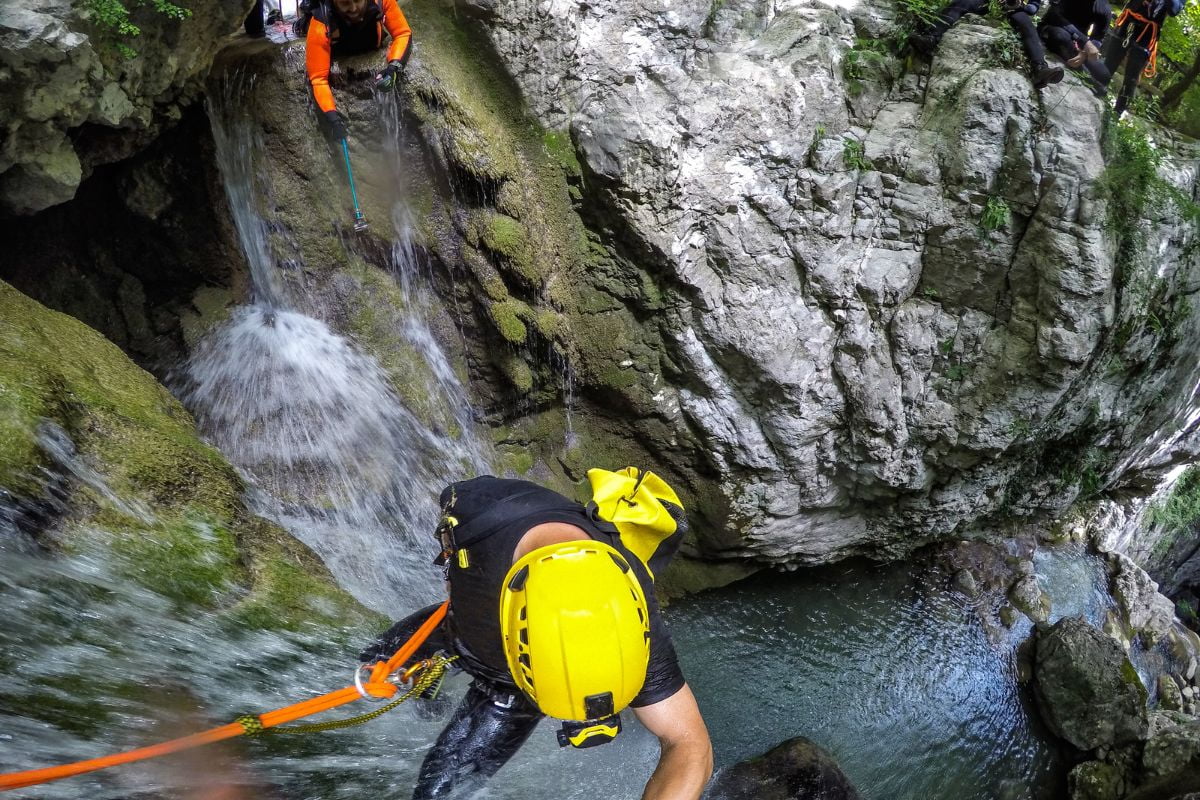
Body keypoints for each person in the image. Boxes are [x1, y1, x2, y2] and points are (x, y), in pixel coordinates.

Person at [358, 468, 714, 800]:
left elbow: (688, 742)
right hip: (470, 633)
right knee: (372, 665)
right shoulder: (481, 518)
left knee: (437, 793)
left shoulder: (637, 622)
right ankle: (430, 698)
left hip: (504, 678)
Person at [303, 0, 413, 140]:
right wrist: (333, 118)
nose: (354, 8)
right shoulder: (321, 22)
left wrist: (393, 67)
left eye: (358, 0)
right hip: (338, 39)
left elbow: (402, 33)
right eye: (345, 3)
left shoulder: (382, 1)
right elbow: (318, 79)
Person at [910, 0, 1066, 89]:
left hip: (1015, 10)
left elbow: (1033, 7)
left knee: (1027, 25)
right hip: (987, 2)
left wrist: (1020, 5)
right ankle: (931, 38)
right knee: (961, 2)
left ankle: (1040, 68)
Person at [1093, 0, 1184, 117]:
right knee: (1110, 62)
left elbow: (1174, 10)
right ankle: (1096, 93)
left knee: (1131, 77)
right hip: (1129, 21)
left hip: (1148, 33)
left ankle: (1116, 115)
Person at [1038, 0, 1113, 86]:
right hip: (1054, 27)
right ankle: (1085, 74)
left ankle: (1077, 60)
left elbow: (1098, 37)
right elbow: (1054, 15)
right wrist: (1085, 42)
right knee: (1060, 36)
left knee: (1104, 75)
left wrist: (1085, 52)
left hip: (1078, 43)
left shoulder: (1103, 7)